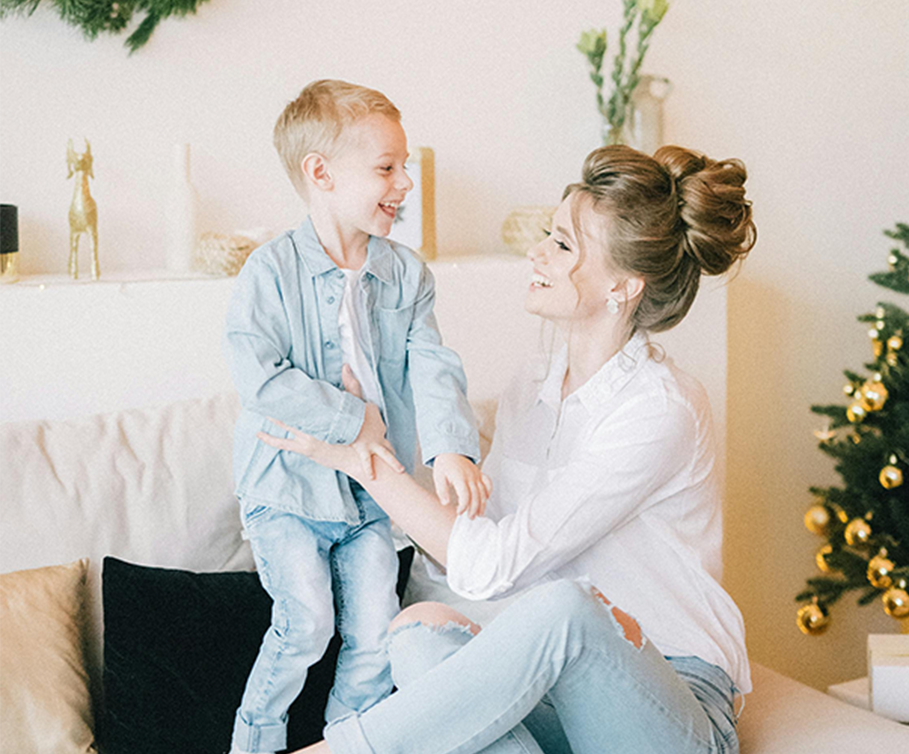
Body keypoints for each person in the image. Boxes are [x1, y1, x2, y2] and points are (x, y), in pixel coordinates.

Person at [260, 143, 757, 754]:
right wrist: (367, 445)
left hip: (673, 707)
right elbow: (473, 549)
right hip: (566, 696)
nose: (538, 252)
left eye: (565, 245)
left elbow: (495, 566)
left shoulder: (660, 409)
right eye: (550, 234)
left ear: (624, 287)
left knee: (567, 610)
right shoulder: (535, 386)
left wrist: (373, 467)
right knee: (418, 633)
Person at [226, 80, 491, 754]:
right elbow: (259, 376)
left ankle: (348, 745)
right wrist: (354, 418)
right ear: (320, 173)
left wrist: (451, 447)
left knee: (376, 638)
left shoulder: (406, 274)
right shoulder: (269, 272)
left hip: (375, 493)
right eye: (386, 167)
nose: (404, 181)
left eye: (404, 166)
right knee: (307, 624)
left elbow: (432, 363)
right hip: (287, 490)